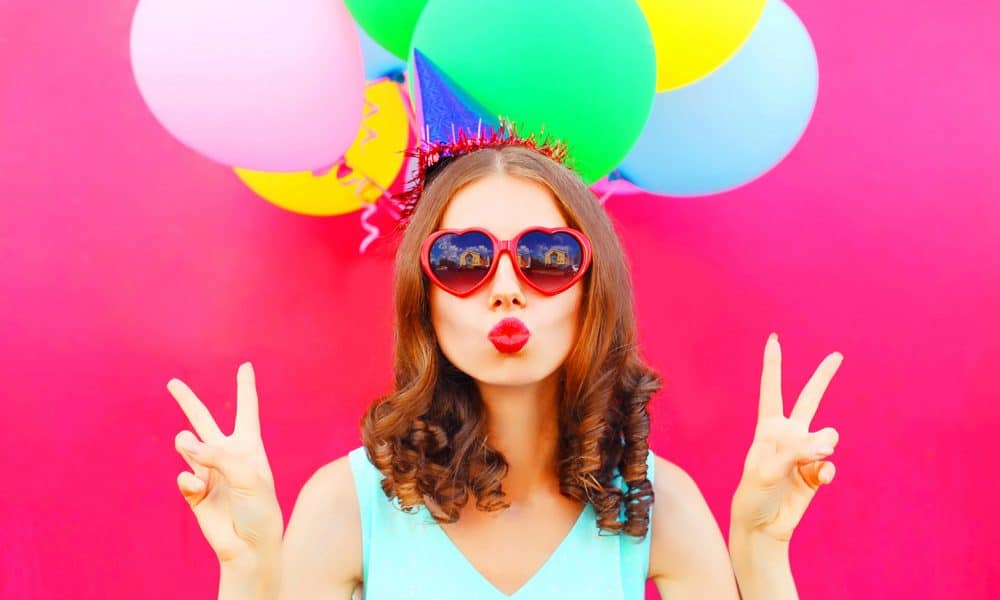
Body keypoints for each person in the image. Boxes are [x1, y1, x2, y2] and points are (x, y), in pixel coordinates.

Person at [166, 133, 843, 599]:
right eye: (464, 258)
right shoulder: (346, 508)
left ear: (592, 291)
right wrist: (249, 567)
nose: (506, 285)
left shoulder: (661, 509)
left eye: (547, 256)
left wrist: (761, 548)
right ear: (423, 300)